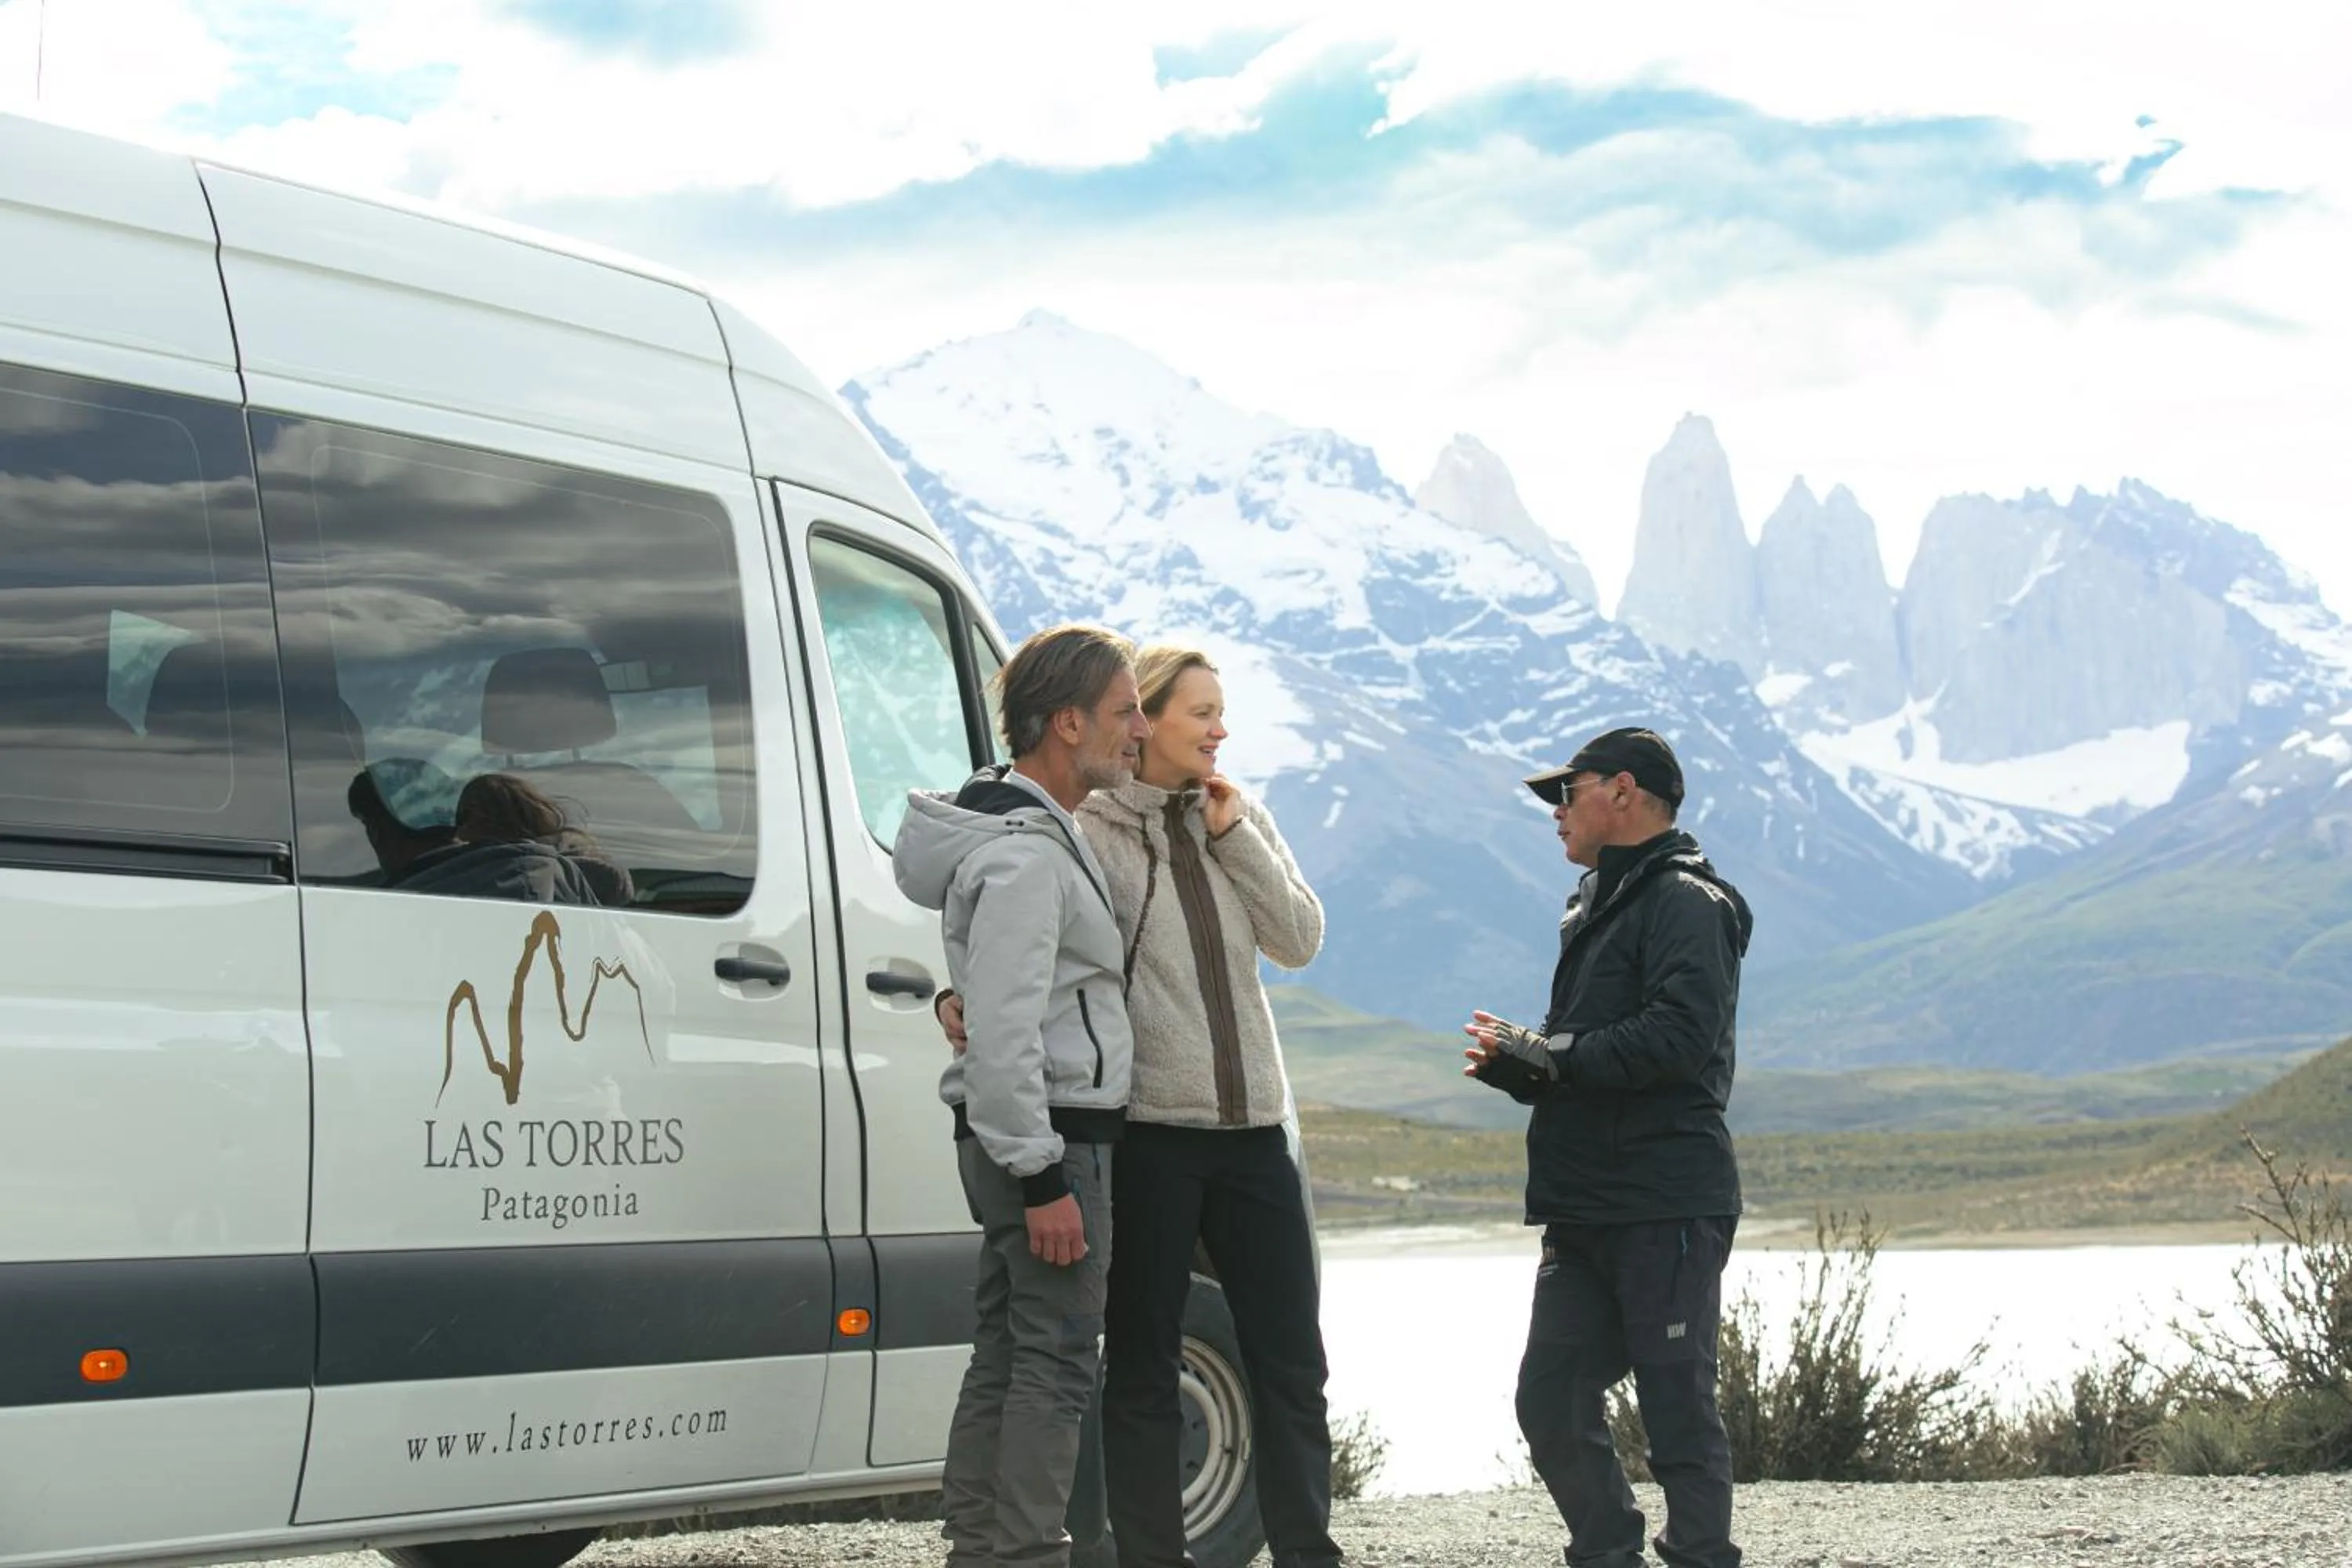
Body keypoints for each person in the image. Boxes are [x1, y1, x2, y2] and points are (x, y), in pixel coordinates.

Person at [942, 645, 1342, 1568]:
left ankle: (1308, 1551)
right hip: (1152, 1132)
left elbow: (1301, 938)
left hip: (1255, 1133)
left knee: (1292, 1361)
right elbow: (1038, 960)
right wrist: (950, 996)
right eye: (1197, 711)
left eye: (1221, 711)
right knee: (1142, 1363)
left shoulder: (1239, 816)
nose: (1218, 729)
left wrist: (1232, 834)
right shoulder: (1095, 831)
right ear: (1147, 718)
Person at [892, 623, 1151, 1568]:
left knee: (1009, 1349)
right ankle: (1022, 1553)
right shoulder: (1027, 854)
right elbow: (1002, 1034)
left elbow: (994, 1003)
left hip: (1026, 1134)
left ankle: (982, 1549)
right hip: (1049, 1141)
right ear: (1069, 721)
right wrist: (1043, 1175)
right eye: (1126, 712)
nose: (1138, 729)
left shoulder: (1027, 836)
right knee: (1054, 1355)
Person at [1461, 727, 1751, 1568]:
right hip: (1583, 1201)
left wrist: (1555, 1057)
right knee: (1549, 1393)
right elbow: (1587, 1046)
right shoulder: (1594, 900)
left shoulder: (1689, 901)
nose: (1556, 811)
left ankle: (1700, 1555)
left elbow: (1679, 1036)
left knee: (1676, 1402)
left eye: (1569, 789)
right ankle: (1607, 1551)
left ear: (1623, 790)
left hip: (1668, 1197)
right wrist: (1527, 1066)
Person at [397, 771, 632, 906]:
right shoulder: (584, 876)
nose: (457, 833)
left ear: (483, 820)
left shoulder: (511, 879)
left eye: (462, 818)